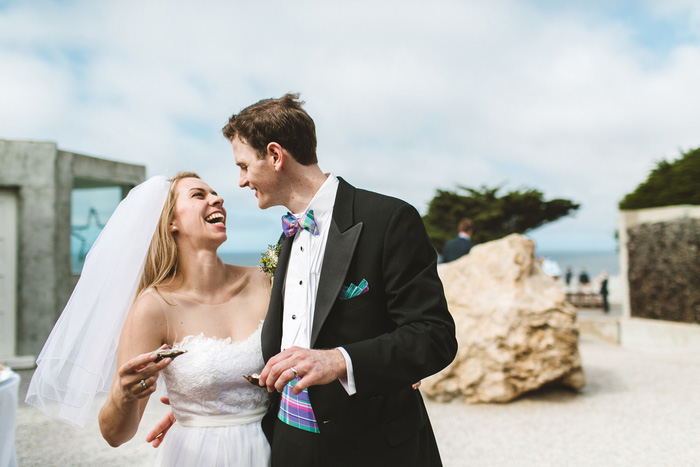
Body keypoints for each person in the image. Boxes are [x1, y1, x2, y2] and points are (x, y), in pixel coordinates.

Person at [152, 94, 458, 466]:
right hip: (287, 444)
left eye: (245, 165)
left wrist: (340, 361)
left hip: (373, 447)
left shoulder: (388, 219)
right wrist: (208, 411)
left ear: (276, 156)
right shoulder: (285, 240)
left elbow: (433, 335)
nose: (242, 180)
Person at [27, 173, 272, 466]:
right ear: (172, 222)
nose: (217, 199)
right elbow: (115, 435)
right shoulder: (153, 309)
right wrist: (125, 394)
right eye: (198, 195)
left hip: (274, 446)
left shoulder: (266, 281)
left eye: (215, 193)